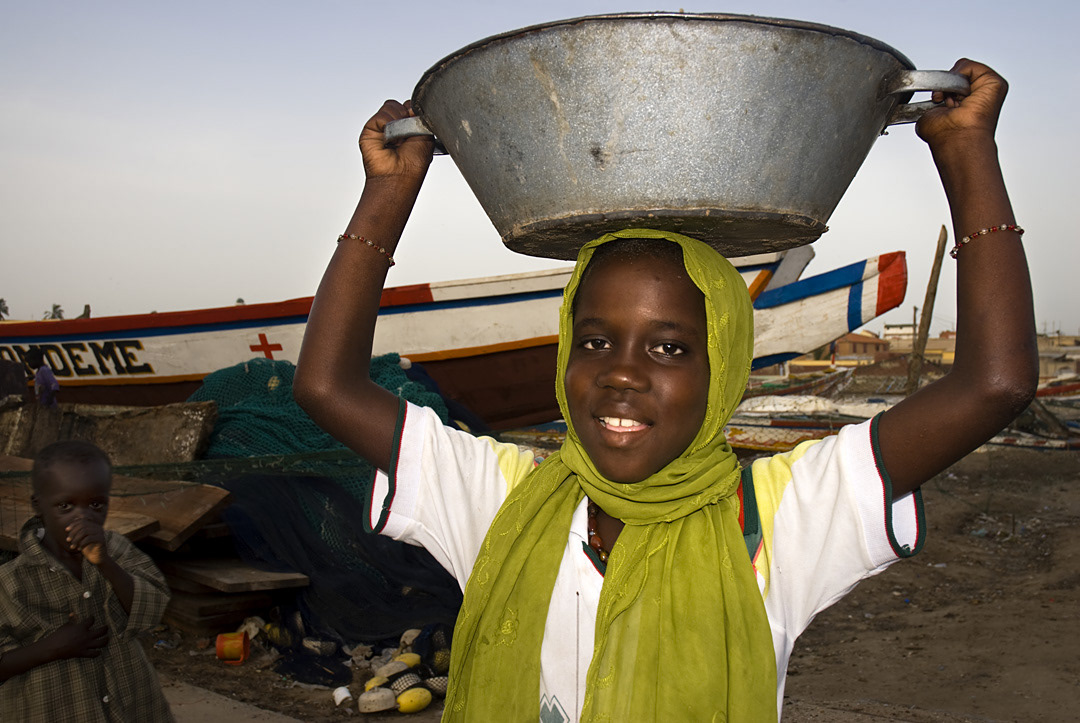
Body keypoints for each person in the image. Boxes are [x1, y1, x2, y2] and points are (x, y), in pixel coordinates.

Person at [293, 58, 1036, 721]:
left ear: (721, 372)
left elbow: (993, 385)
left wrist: (968, 152)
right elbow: (327, 385)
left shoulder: (778, 523)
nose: (620, 371)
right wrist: (388, 193)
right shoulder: (499, 498)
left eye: (671, 347)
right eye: (594, 341)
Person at [0, 440, 175, 722]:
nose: (82, 517)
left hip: (131, 705)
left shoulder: (116, 549)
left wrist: (106, 564)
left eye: (96, 504)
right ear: (38, 505)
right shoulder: (11, 581)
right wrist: (50, 648)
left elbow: (151, 611)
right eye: (65, 505)